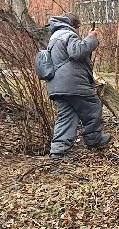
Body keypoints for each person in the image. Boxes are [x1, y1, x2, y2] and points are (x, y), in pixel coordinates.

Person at [46, 13, 112, 158]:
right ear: (74, 26)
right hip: (73, 83)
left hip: (57, 85)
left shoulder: (55, 36)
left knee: (66, 116)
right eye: (78, 27)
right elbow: (77, 52)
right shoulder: (68, 34)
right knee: (93, 106)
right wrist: (92, 38)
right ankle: (94, 139)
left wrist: (86, 39)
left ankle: (58, 151)